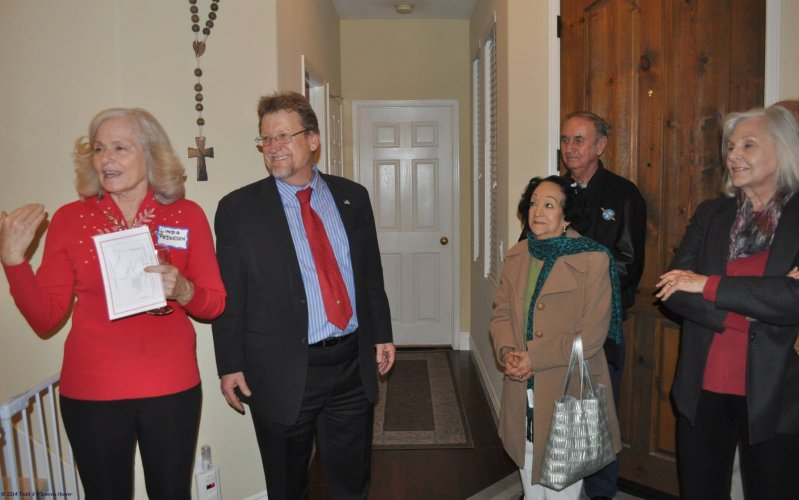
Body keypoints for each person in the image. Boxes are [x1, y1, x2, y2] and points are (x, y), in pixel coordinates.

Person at [0, 108, 226, 499]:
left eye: (120, 148)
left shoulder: (186, 215)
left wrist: (184, 290)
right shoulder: (70, 220)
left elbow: (215, 304)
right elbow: (45, 318)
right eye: (99, 148)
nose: (106, 158)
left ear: (150, 153)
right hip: (91, 394)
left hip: (171, 389)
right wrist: (14, 261)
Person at [212, 91, 395, 500]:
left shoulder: (353, 197)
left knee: (351, 484)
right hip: (280, 370)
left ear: (313, 139)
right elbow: (231, 295)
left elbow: (369, 273)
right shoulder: (238, 210)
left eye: (283, 136)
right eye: (265, 139)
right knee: (287, 486)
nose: (272, 147)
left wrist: (382, 332)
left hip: (350, 365)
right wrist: (230, 363)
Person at [656, 104, 799, 499]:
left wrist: (707, 285)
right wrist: (757, 306)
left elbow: (795, 301)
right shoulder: (712, 214)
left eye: (748, 145)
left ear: (784, 149)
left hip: (778, 394)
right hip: (703, 386)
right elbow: (672, 289)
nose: (733, 155)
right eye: (731, 146)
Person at [490, 175, 623, 499]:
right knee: (529, 471)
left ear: (566, 215)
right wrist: (508, 353)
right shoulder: (517, 255)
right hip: (521, 386)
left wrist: (533, 357)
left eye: (549, 205)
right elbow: (501, 313)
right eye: (534, 203)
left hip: (568, 387)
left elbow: (592, 335)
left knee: (562, 486)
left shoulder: (594, 259)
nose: (538, 211)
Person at [558, 111, 645, 499]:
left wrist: (584, 295)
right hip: (554, 322)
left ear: (600, 146)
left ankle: (599, 491)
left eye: (579, 140)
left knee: (598, 412)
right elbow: (531, 246)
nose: (570, 148)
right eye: (565, 140)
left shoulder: (623, 195)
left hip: (600, 323)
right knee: (558, 408)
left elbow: (628, 263)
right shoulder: (553, 191)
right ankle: (559, 484)